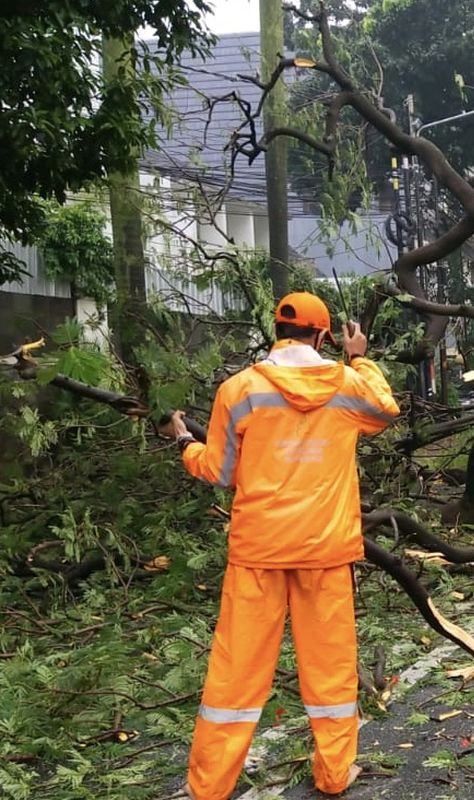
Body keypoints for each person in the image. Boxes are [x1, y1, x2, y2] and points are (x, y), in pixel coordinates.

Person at [163, 292, 399, 799]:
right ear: (322, 336)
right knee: (331, 669)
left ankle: (208, 787)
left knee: (235, 675)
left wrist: (185, 442)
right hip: (326, 551)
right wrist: (359, 355)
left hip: (260, 552)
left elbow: (221, 472)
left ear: (277, 331)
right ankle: (335, 774)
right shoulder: (346, 382)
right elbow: (386, 409)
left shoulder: (240, 389)